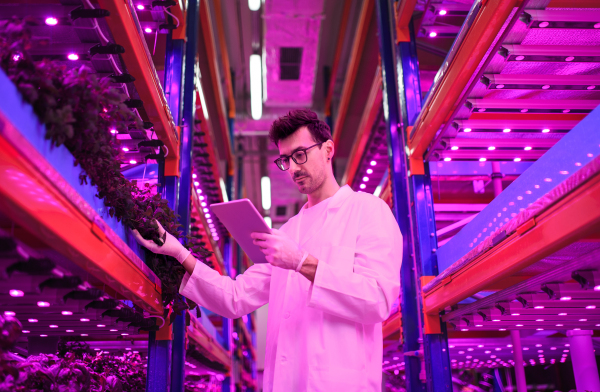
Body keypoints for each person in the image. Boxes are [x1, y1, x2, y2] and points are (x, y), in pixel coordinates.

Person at [134, 109, 403, 391]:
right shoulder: (286, 232)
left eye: (300, 154)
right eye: (285, 160)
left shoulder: (367, 210)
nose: (293, 168)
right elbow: (235, 298)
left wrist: (301, 262)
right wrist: (180, 254)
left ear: (328, 149)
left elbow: (379, 300)